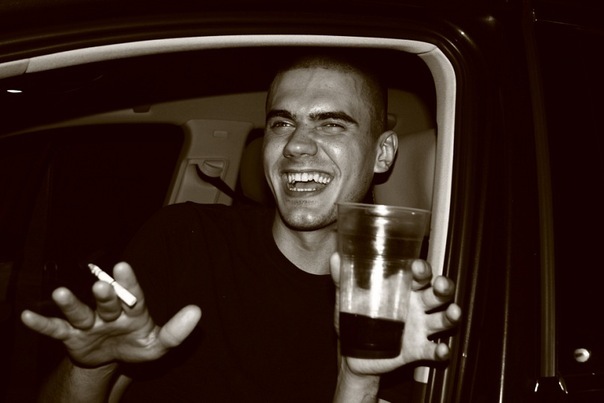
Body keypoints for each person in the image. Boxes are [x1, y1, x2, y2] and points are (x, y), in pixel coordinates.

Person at [20, 52, 461, 402]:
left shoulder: (399, 297)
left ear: (383, 153)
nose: (297, 145)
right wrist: (92, 366)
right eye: (282, 123)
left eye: (330, 124)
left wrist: (357, 376)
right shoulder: (185, 237)